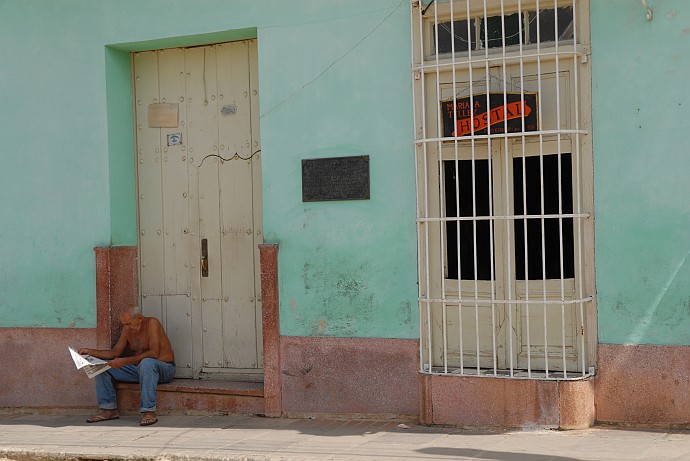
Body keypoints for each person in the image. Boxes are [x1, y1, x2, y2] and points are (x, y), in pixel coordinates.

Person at [78, 305, 175, 426]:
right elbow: (115, 353)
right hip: (140, 369)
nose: (126, 327)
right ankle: (109, 410)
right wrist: (90, 351)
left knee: (147, 362)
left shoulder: (152, 323)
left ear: (139, 318)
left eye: (129, 324)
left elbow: (154, 353)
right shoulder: (127, 328)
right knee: (102, 367)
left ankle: (149, 412)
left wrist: (124, 361)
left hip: (164, 368)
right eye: (124, 324)